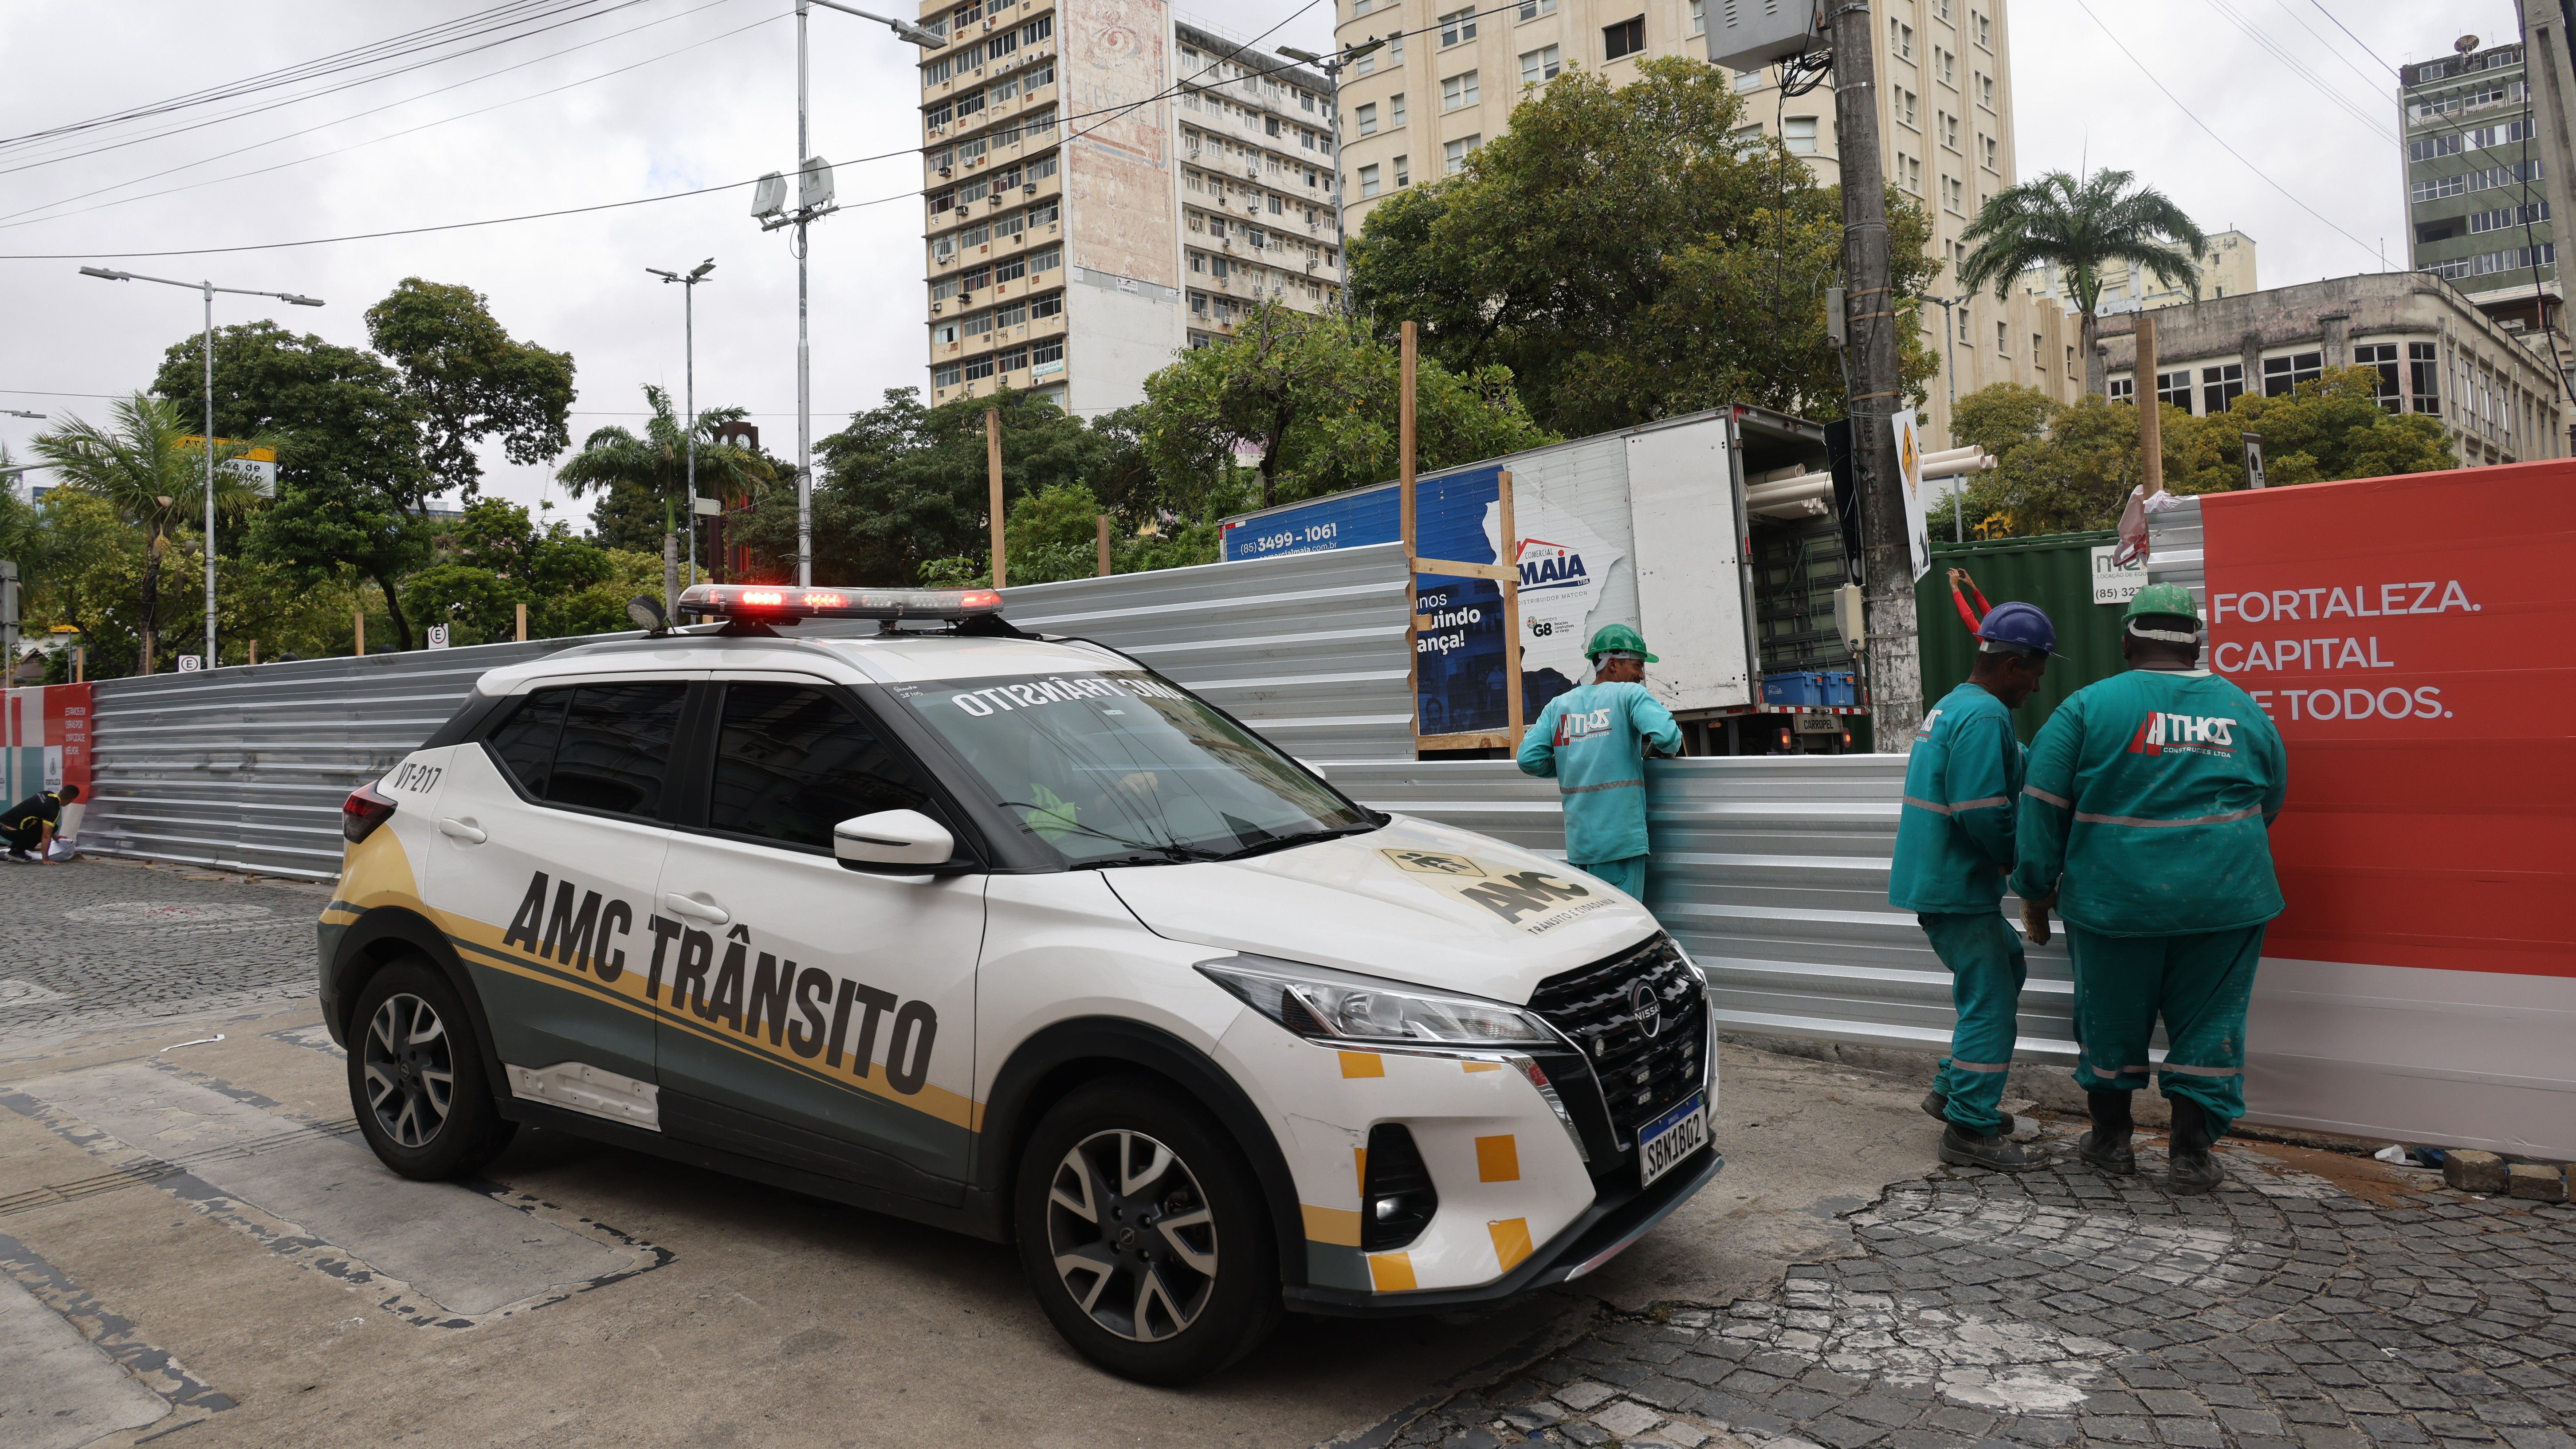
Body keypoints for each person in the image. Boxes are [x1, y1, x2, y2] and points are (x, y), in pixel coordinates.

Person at [2011, 583, 2286, 1194]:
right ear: (2196, 644)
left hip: (2115, 902)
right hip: (2228, 898)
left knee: (2109, 1017)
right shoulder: (2243, 707)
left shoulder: (2086, 707)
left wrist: (2035, 886)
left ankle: (2111, 1143)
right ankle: (2191, 1154)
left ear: (2128, 641)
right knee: (2212, 1020)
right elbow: (2271, 796)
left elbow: (2042, 807)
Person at [1891, 601, 2057, 1171]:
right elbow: (1981, 809)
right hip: (1954, 887)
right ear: (2012, 664)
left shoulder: (1956, 705)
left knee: (2005, 965)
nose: (2037, 686)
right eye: (2035, 673)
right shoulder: (1987, 715)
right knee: (1990, 1001)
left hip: (1936, 880)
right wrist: (2028, 867)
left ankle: (1952, 1091)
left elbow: (2009, 764)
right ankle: (1969, 1128)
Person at [1515, 625, 1684, 899]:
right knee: (1624, 928)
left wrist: (1571, 762)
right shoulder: (1628, 695)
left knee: (1595, 926)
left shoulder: (1559, 705)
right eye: (1638, 665)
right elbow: (1668, 738)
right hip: (1620, 842)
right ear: (1613, 664)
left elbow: (1528, 759)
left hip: (1581, 847)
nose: (1641, 675)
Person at [3, 783, 80, 864]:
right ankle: (16, 852)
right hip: (10, 831)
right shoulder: (53, 809)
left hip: (2, 824)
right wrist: (45, 859)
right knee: (51, 829)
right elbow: (46, 835)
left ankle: (15, 850)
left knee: (49, 827)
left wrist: (55, 837)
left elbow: (41, 821)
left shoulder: (46, 794)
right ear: (72, 800)